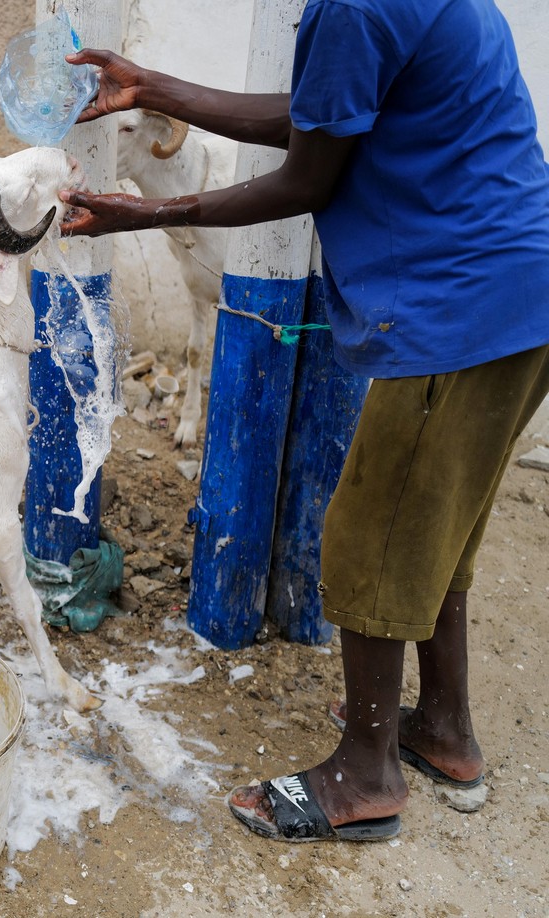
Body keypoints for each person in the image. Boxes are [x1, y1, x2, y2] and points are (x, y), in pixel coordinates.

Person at [58, 0, 549, 843]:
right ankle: (444, 729)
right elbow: (321, 115)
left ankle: (364, 776)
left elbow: (305, 178)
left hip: (460, 303)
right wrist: (153, 86)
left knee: (370, 533)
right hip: (516, 286)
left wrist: (152, 216)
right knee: (436, 523)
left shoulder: (357, 3)